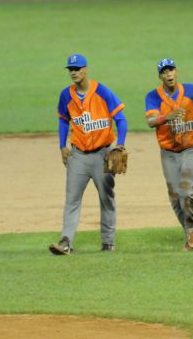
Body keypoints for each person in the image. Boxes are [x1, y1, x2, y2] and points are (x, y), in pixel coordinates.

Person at [49, 54, 128, 255]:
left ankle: (108, 243)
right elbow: (62, 120)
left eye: (77, 68)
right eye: (70, 69)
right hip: (78, 156)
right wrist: (62, 146)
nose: (73, 72)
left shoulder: (102, 91)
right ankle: (66, 242)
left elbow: (121, 119)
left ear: (86, 69)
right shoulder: (66, 95)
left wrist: (119, 145)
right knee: (72, 199)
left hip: (102, 155)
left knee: (106, 198)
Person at [145, 58, 193, 251]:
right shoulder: (153, 96)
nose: (168, 74)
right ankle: (190, 231)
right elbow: (151, 121)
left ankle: (192, 229)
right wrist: (166, 117)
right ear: (160, 76)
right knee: (174, 196)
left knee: (185, 189)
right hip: (168, 153)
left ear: (176, 72)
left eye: (171, 70)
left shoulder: (191, 91)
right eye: (164, 72)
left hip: (191, 150)